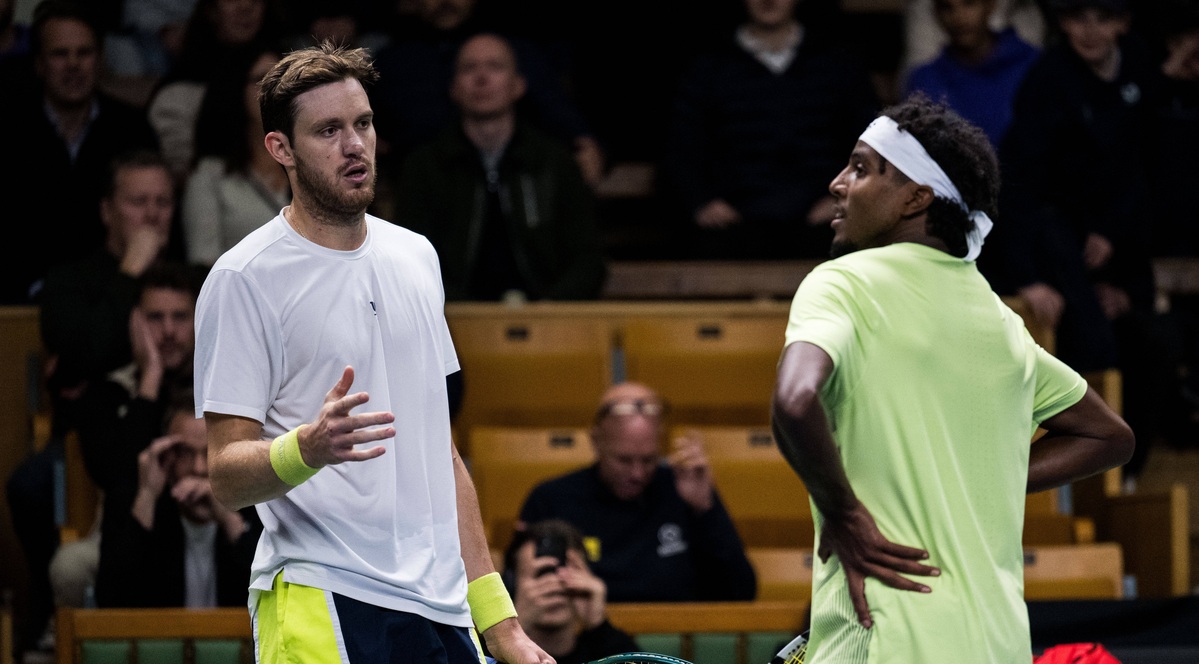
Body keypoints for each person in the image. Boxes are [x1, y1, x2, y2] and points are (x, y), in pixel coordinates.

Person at [193, 41, 552, 663]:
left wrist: (502, 624)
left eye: (362, 123)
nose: (354, 144)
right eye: (328, 130)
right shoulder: (243, 276)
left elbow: (441, 455)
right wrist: (305, 449)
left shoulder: (417, 256)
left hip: (440, 609)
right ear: (282, 149)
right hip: (320, 595)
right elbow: (225, 475)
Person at [770, 93, 1134, 661]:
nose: (838, 183)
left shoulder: (844, 282)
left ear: (916, 197)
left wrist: (843, 511)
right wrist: (978, 481)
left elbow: (794, 400)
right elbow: (1110, 437)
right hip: (999, 643)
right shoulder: (1001, 320)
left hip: (886, 635)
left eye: (862, 168)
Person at [984, 0, 1175, 485]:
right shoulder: (1048, 79)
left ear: (1124, 21)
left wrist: (1119, 257)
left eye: (1103, 16)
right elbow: (1019, 185)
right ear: (1061, 21)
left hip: (1118, 253)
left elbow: (1149, 174)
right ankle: (1091, 476)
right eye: (1076, 17)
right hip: (1052, 251)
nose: (1089, 30)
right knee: (1093, 348)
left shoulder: (1140, 69)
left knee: (1153, 344)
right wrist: (1027, 276)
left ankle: (1126, 479)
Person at [393, 32, 606, 302]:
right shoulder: (425, 167)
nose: (482, 78)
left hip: (547, 320)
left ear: (518, 85)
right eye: (469, 68)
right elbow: (410, 262)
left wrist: (549, 310)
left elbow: (587, 259)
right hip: (454, 323)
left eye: (495, 66)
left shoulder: (554, 163)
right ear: (454, 88)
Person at [661, 0, 880, 260]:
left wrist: (844, 200)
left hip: (823, 221)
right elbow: (681, 147)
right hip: (731, 224)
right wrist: (702, 202)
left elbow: (871, 144)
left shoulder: (838, 64)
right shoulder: (707, 68)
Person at [48, 261, 207, 612]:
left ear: (198, 322)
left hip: (203, 525)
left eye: (180, 317)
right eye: (155, 318)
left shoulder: (218, 389)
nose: (168, 331)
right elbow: (116, 476)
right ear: (135, 322)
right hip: (129, 526)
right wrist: (149, 381)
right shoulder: (109, 392)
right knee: (70, 567)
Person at [518, 381, 757, 603]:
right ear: (596, 441)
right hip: (588, 642)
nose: (637, 474)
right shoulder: (552, 499)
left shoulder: (684, 489)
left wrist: (705, 509)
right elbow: (524, 595)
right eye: (624, 460)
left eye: (649, 460)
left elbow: (742, 592)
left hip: (674, 639)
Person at [0, 0, 160, 305]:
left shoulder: (131, 130)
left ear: (99, 60)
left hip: (116, 295)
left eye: (84, 53)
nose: (73, 64)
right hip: (16, 299)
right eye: (60, 54)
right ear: (39, 64)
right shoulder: (8, 128)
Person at [370, 0, 605, 193]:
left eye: (494, 67)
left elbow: (557, 112)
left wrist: (582, 140)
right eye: (470, 68)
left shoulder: (514, 51)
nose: (444, 1)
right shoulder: (390, 64)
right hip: (424, 191)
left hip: (513, 184)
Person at [91, 386, 263, 607]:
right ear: (166, 454)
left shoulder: (256, 502)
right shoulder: (137, 504)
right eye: (185, 453)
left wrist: (228, 518)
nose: (199, 468)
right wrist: (147, 496)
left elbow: (272, 600)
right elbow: (111, 602)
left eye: (210, 452)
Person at [145, 0, 284, 183]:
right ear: (210, 9)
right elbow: (181, 179)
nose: (245, 6)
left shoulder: (286, 70)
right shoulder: (177, 95)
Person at [181, 45, 287, 266]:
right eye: (260, 80)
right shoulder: (209, 175)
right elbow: (203, 266)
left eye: (282, 78)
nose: (273, 89)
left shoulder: (314, 164)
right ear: (235, 89)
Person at [903, 0, 1042, 148]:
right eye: (946, 7)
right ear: (936, 13)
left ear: (990, 5)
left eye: (969, 3)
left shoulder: (1033, 68)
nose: (959, 17)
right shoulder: (924, 82)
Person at [499, 520, 639, 664]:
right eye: (542, 573)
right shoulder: (489, 652)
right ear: (511, 585)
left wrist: (599, 627)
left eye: (564, 573)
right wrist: (514, 628)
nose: (553, 585)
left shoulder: (611, 648)